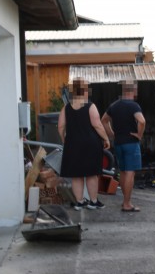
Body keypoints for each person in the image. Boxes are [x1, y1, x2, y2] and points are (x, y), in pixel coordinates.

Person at [58, 77, 111, 210]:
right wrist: (106, 138)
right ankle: (93, 201)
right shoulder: (90, 106)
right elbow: (97, 125)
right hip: (90, 145)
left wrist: (65, 140)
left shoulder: (66, 107)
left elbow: (60, 127)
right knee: (91, 174)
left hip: (73, 145)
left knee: (77, 175)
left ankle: (80, 202)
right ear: (85, 90)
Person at [101, 79, 145, 212]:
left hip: (119, 143)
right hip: (131, 143)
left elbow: (104, 120)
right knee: (130, 173)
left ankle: (125, 202)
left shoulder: (114, 105)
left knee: (123, 172)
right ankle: (127, 204)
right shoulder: (134, 106)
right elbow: (142, 121)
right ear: (134, 90)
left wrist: (111, 134)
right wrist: (139, 134)